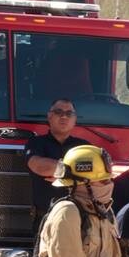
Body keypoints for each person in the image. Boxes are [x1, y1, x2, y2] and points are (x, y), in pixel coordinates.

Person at [24, 98, 91, 233]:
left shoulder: (85, 147)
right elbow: (37, 165)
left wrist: (62, 176)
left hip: (80, 220)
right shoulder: (36, 143)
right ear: (49, 116)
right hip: (45, 218)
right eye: (58, 112)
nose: (64, 116)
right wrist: (72, 174)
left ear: (75, 119)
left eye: (69, 113)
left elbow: (95, 176)